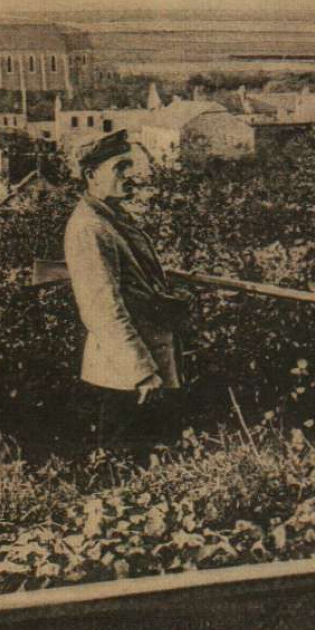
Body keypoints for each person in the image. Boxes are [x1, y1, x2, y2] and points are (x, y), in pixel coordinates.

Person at [64, 130, 188, 448]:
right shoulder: (90, 228)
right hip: (125, 377)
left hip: (143, 368)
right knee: (129, 471)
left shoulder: (112, 219)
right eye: (120, 167)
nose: (129, 175)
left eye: (129, 165)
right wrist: (141, 371)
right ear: (92, 175)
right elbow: (101, 308)